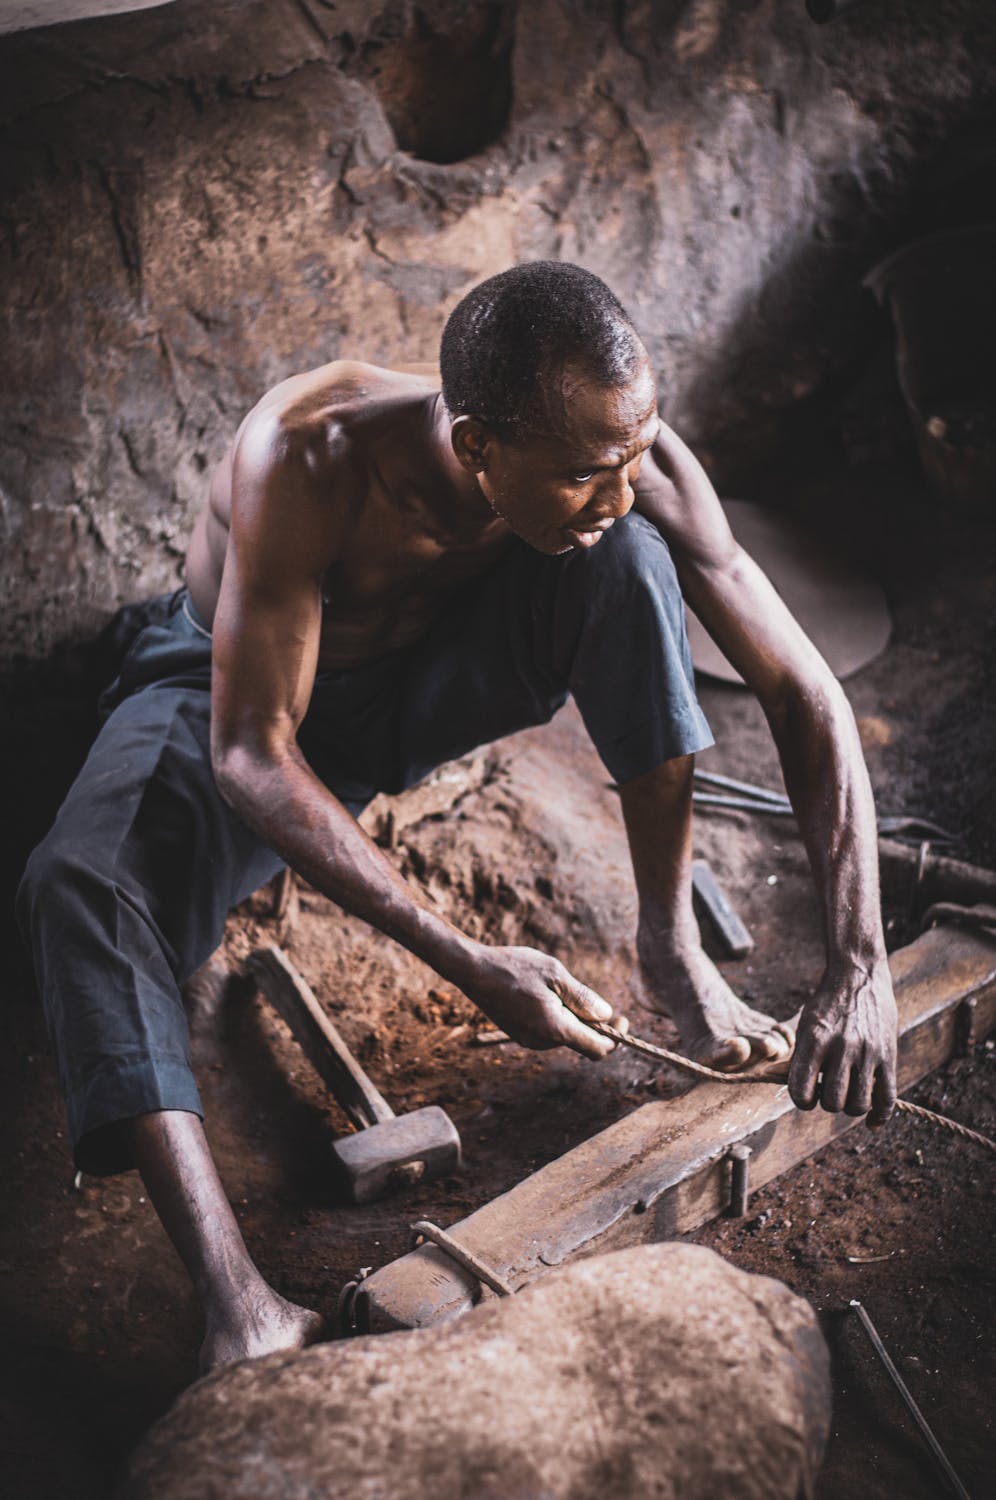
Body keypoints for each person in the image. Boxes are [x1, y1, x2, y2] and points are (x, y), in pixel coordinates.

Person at [18, 262, 897, 1372]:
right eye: (585, 472)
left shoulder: (627, 461)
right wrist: (469, 959)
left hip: (422, 681)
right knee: (76, 886)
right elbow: (250, 754)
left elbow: (807, 691)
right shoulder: (307, 456)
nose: (624, 485)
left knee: (631, 561)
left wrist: (859, 962)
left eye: (634, 453)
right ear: (477, 445)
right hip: (233, 692)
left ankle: (673, 947)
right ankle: (237, 1304)